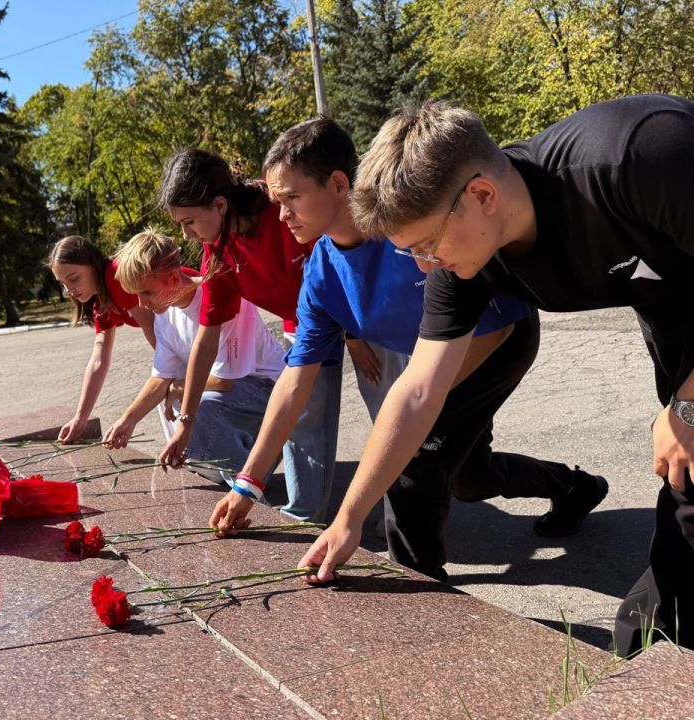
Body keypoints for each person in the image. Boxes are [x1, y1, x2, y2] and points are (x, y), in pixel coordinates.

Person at [299, 95, 694, 656]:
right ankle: (654, 656)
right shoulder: (464, 262)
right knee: (672, 554)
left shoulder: (639, 155)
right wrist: (349, 517)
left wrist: (687, 405)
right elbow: (417, 392)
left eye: (425, 246)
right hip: (676, 318)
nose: (422, 267)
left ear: (481, 195)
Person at [209, 117, 606, 582]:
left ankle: (418, 595)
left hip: (497, 339)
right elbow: (296, 381)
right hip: (436, 365)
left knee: (412, 462)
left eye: (292, 198)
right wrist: (248, 483)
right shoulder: (321, 271)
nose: (282, 215)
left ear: (339, 184)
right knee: (468, 476)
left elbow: (485, 332)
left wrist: (418, 404)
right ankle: (575, 486)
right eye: (277, 202)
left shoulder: (406, 228)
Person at [155, 149, 342, 522]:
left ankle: (399, 514)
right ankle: (305, 518)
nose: (185, 233)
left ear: (220, 205)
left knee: (393, 407)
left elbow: (336, 262)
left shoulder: (281, 215)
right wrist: (185, 424)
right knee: (302, 421)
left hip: (357, 314)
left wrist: (356, 337)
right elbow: (206, 340)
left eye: (190, 221)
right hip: (306, 328)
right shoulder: (219, 254)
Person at [103, 228, 287, 481]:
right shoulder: (164, 314)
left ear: (173, 278)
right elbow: (160, 377)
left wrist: (177, 388)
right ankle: (227, 467)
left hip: (268, 384)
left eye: (147, 292)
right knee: (174, 400)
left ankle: (250, 479)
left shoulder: (219, 298)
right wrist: (128, 419)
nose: (142, 303)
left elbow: (225, 380)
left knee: (202, 405)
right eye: (136, 294)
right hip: (235, 386)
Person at [48, 236, 155, 442]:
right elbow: (98, 360)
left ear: (93, 265)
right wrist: (80, 417)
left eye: (74, 278)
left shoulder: (116, 275)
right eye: (63, 283)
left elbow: (155, 331)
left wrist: (171, 379)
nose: (69, 289)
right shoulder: (102, 302)